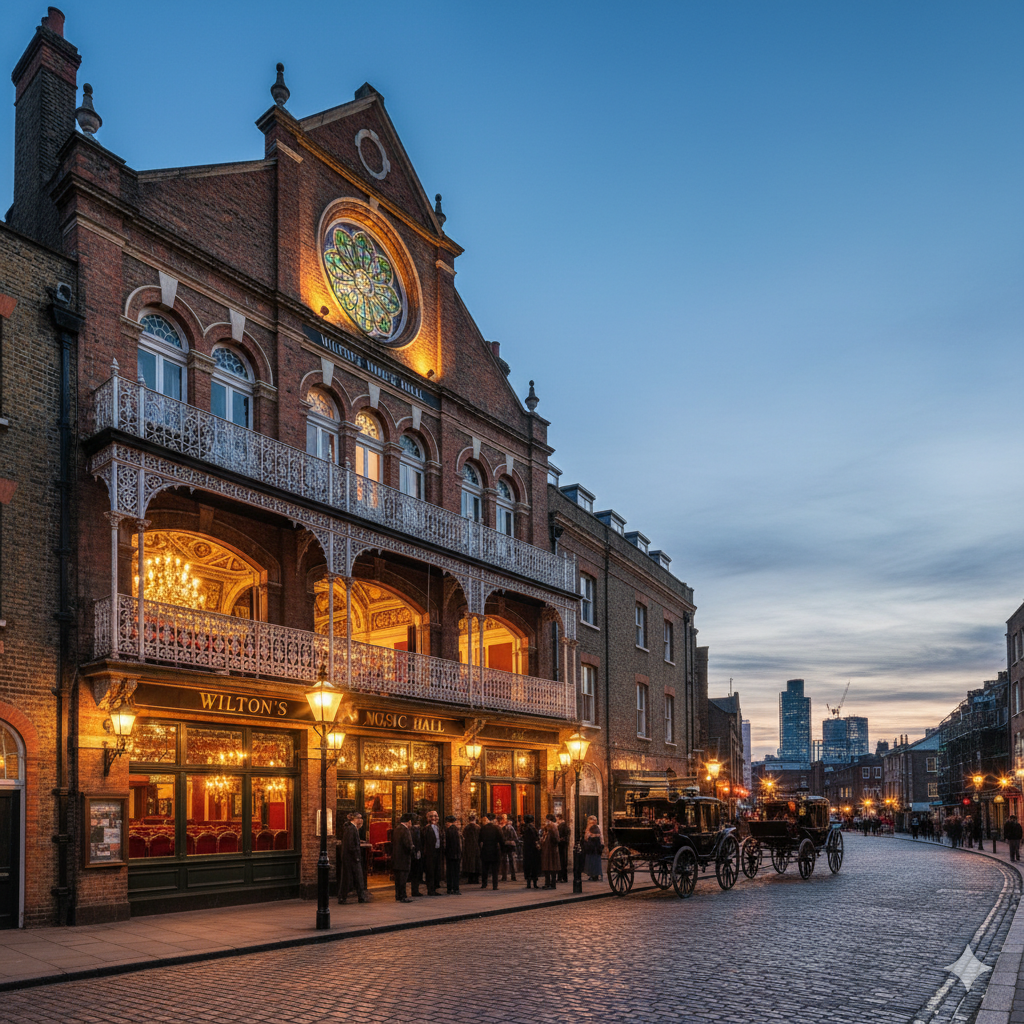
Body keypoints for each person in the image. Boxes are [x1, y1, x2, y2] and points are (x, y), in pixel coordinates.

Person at [338, 812, 370, 904]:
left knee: (352, 878)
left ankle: (359, 897)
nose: (361, 820)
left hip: (349, 857)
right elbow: (350, 844)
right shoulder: (351, 829)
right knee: (353, 878)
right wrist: (356, 856)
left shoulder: (352, 828)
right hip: (351, 858)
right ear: (354, 819)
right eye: (359, 818)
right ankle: (345, 897)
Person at [392, 813, 414, 902]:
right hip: (404, 858)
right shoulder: (405, 830)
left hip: (396, 858)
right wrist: (412, 849)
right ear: (409, 822)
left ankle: (398, 895)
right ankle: (403, 896)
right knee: (403, 879)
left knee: (398, 879)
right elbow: (408, 844)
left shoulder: (397, 829)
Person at [479, 813, 503, 890]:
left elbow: (479, 840)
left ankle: (484, 884)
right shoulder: (497, 828)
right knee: (495, 870)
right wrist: (502, 850)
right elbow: (501, 840)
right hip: (495, 850)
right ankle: (494, 885)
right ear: (493, 819)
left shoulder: (483, 828)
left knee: (485, 869)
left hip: (485, 850)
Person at [422, 810, 444, 896]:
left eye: (436, 816)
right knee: (430, 871)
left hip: (437, 851)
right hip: (429, 853)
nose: (434, 818)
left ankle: (435, 888)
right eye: (432, 816)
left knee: (436, 870)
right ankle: (430, 889)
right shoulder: (427, 828)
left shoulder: (438, 827)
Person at [541, 813, 561, 889]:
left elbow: (556, 838)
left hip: (551, 850)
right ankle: (548, 883)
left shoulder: (553, 827)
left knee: (551, 867)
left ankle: (551, 884)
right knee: (548, 867)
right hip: (548, 849)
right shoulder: (548, 827)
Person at [522, 814, 541, 889]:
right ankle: (535, 882)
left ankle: (528, 883)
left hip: (527, 849)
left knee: (527, 866)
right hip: (533, 849)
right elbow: (536, 838)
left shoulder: (524, 828)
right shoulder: (533, 828)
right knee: (534, 866)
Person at [445, 815, 463, 894]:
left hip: (450, 854)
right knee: (455, 872)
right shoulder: (456, 830)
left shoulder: (448, 830)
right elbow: (458, 844)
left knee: (450, 872)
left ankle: (450, 888)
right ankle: (456, 888)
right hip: (456, 854)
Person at [462, 813, 481, 886]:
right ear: (475, 819)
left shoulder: (467, 828)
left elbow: (464, 837)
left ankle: (470, 879)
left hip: (468, 848)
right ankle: (476, 879)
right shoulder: (478, 827)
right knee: (476, 863)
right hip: (476, 847)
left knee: (469, 864)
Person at [498, 814, 518, 882]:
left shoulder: (501, 827)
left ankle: (505, 876)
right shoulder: (510, 827)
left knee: (505, 860)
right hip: (510, 844)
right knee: (510, 860)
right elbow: (515, 837)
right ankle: (513, 876)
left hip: (504, 844)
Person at [584, 815, 603, 880]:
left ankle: (593, 875)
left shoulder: (591, 828)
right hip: (595, 847)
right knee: (594, 861)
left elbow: (587, 837)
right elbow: (600, 836)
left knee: (593, 860)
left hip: (592, 847)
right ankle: (594, 875)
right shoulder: (598, 827)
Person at [408, 815, 423, 896]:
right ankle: (415, 890)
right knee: (415, 873)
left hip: (414, 853)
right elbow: (417, 841)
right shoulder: (415, 830)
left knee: (415, 873)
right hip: (416, 853)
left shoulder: (411, 830)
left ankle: (415, 890)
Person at [556, 813, 570, 883]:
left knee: (561, 861)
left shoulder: (561, 826)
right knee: (563, 861)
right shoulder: (565, 825)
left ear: (558, 818)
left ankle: (561, 877)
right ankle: (564, 877)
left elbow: (560, 835)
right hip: (564, 845)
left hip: (561, 845)